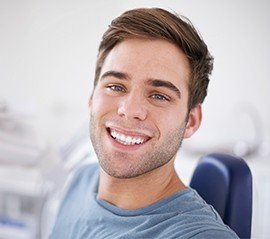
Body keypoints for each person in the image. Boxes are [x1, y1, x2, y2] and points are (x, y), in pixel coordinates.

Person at [50, 8, 239, 239]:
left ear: (191, 121)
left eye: (159, 95)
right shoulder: (81, 181)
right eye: (115, 86)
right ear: (92, 97)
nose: (129, 110)